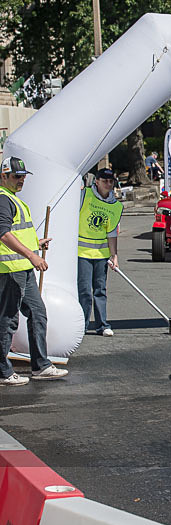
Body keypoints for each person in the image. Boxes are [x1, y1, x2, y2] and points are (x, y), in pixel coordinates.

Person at [0, 156, 68, 385]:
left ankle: (41, 366)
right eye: (16, 177)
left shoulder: (13, 199)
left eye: (23, 177)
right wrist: (31, 254)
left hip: (23, 268)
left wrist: (35, 244)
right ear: (4, 176)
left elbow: (16, 233)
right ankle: (3, 371)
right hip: (10, 270)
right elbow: (3, 234)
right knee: (8, 320)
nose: (21, 180)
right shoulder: (3, 199)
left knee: (38, 313)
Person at [78, 168, 123, 337]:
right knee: (83, 291)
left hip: (101, 255)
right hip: (82, 253)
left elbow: (111, 233)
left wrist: (114, 256)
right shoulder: (85, 196)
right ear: (96, 181)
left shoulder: (116, 206)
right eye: (105, 181)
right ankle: (81, 326)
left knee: (100, 290)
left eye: (111, 181)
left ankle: (102, 325)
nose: (108, 184)